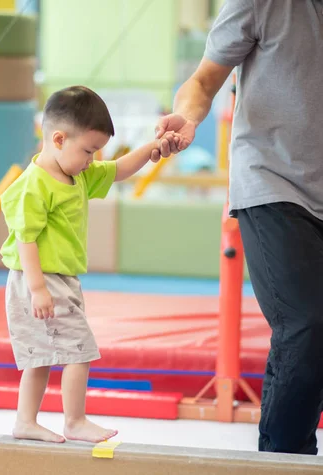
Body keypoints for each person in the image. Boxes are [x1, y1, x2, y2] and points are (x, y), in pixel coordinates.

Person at [152, 0, 323, 455]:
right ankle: (284, 459)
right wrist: (187, 118)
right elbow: (205, 79)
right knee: (306, 322)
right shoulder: (259, 3)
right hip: (273, 181)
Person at [0, 85, 181, 444]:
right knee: (78, 351)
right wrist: (37, 289)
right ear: (58, 139)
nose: (92, 159)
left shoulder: (78, 174)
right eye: (87, 150)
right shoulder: (34, 185)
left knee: (41, 358)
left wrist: (151, 148)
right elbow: (25, 238)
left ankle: (25, 422)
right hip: (37, 279)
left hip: (59, 280)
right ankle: (75, 420)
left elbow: (118, 170)